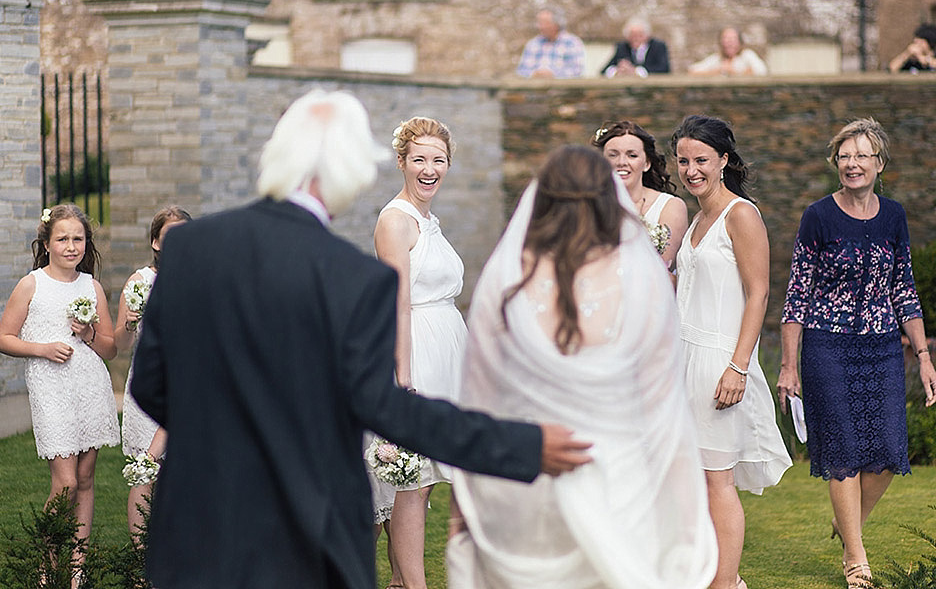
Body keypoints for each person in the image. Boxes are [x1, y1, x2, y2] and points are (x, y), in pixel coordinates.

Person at [129, 89, 593, 589]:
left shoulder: (192, 248)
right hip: (312, 532)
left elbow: (151, 383)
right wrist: (523, 444)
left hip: (199, 527)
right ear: (354, 168)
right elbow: (392, 409)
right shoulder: (354, 278)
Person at [445, 145, 718, 588]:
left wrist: (466, 503)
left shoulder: (508, 276)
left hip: (531, 472)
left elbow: (481, 400)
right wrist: (681, 514)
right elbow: (661, 403)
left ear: (542, 199)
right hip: (620, 474)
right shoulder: (640, 276)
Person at [776, 118, 936, 589]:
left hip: (884, 347)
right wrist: (788, 365)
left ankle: (847, 523)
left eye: (862, 155)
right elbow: (797, 295)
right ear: (835, 163)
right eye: (845, 155)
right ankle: (856, 557)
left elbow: (904, 287)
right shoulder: (818, 216)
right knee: (844, 450)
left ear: (879, 164)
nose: (852, 163)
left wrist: (924, 355)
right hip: (828, 347)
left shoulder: (895, 216)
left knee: (888, 452)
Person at [672, 115, 792, 589]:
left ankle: (724, 584)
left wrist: (738, 366)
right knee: (693, 478)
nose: (691, 169)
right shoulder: (697, 216)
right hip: (684, 357)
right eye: (683, 160)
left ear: (723, 160)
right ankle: (717, 576)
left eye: (701, 160)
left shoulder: (740, 214)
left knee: (718, 480)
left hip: (720, 361)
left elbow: (759, 293)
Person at [0, 203, 119, 585]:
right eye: (62, 238)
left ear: (86, 244)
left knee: (85, 476)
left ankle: (78, 566)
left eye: (78, 239)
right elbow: (4, 339)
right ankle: (46, 560)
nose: (71, 246)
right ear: (47, 243)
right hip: (51, 386)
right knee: (64, 481)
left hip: (90, 386)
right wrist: (43, 348)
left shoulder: (91, 287)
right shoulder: (31, 284)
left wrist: (88, 334)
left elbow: (111, 349)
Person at [373, 116, 465, 589]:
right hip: (417, 357)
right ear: (402, 163)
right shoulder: (395, 220)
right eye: (420, 160)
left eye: (439, 160)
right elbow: (397, 305)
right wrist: (404, 383)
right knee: (413, 482)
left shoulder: (429, 220)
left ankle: (399, 582)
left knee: (422, 483)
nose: (430, 169)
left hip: (446, 350)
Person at [115, 205, 192, 534]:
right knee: (146, 470)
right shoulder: (140, 282)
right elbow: (119, 344)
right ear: (155, 242)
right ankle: (138, 567)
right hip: (150, 386)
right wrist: (130, 323)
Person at [592, 119, 688, 271]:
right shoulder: (589, 206)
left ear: (646, 164)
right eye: (613, 155)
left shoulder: (670, 207)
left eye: (632, 155)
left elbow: (663, 272)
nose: (622, 162)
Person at [515, 6, 586, 79]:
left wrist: (553, 74)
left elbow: (577, 71)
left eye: (545, 23)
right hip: (534, 88)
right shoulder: (533, 43)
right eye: (539, 23)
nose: (541, 27)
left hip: (562, 89)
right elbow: (521, 71)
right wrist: (535, 74)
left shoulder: (572, 42)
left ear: (557, 24)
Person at [600, 17, 671, 78]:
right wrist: (617, 70)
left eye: (639, 35)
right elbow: (603, 71)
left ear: (647, 36)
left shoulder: (658, 46)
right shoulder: (622, 47)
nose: (635, 38)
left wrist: (637, 71)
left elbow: (664, 69)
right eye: (632, 35)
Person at [688, 27, 768, 77]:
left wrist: (736, 73)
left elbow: (762, 71)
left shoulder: (747, 55)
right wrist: (717, 71)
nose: (729, 42)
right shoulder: (717, 58)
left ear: (739, 42)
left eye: (733, 39)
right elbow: (693, 70)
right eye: (726, 39)